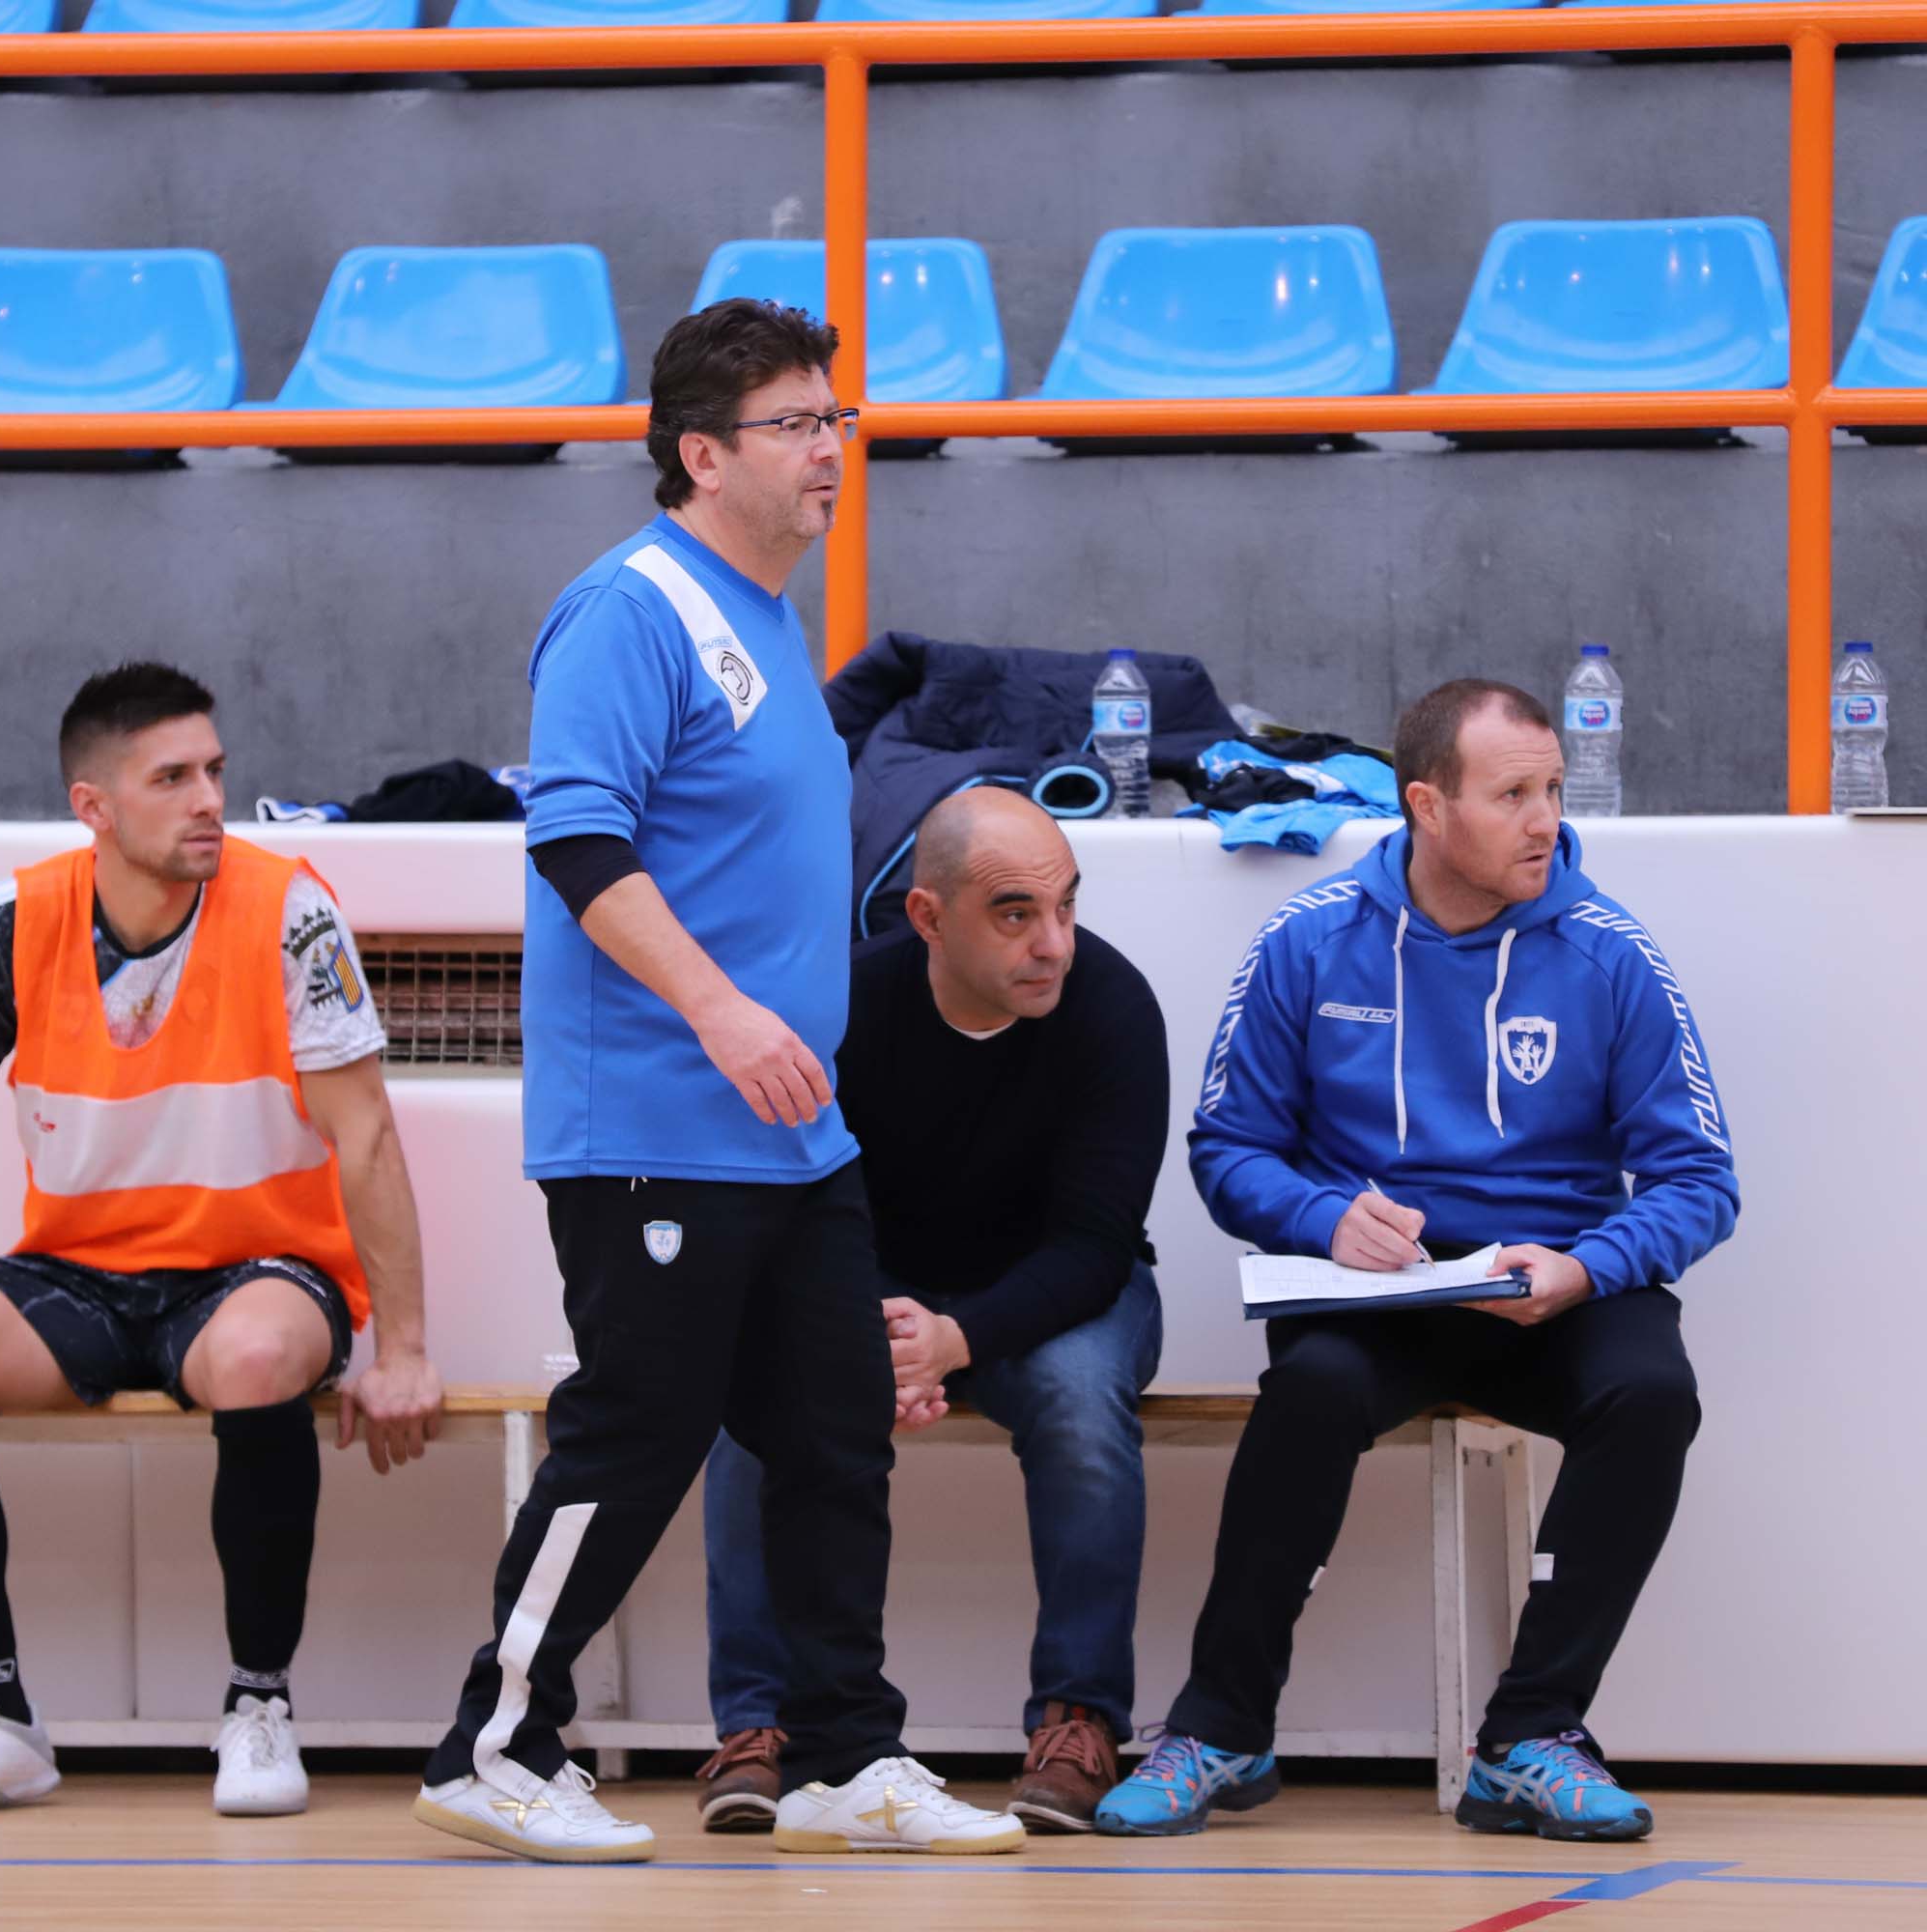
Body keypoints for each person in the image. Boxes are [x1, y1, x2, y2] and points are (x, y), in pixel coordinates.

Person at [413, 299, 1023, 1864]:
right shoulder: (629, 609)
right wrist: (722, 1015)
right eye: (798, 424)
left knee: (836, 1436)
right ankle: (494, 1742)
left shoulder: (766, 622)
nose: (833, 450)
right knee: (637, 1433)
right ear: (702, 452)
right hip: (657, 1126)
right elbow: (576, 843)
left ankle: (841, 1755)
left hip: (796, 1139)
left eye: (839, 420)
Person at [1100, 680, 1737, 1845]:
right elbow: (1227, 1144)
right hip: (1374, 1285)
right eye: (1513, 795)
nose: (1546, 818)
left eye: (1550, 788)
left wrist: (1589, 1266)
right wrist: (1322, 1213)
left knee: (1652, 1391)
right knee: (1313, 1388)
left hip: (1550, 1282)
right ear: (1426, 805)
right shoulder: (1310, 937)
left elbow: (1701, 1179)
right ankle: (1222, 1727)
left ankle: (1530, 1737)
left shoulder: (1611, 954)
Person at [0, 663, 445, 1823]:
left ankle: (258, 1706)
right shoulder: (13, 920)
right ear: (94, 806)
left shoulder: (289, 908)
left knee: (258, 1358)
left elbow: (364, 1135)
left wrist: (403, 1344)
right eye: (172, 777)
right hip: (80, 1270)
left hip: (258, 1270)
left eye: (215, 769)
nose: (209, 797)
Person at [695, 788, 1169, 1836]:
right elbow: (799, 1202)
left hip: (1062, 1297)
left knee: (1082, 1403)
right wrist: (870, 1334)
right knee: (756, 1411)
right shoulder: (845, 1005)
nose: (1053, 943)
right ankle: (763, 1721)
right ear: (926, 918)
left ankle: (1079, 1716)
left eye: (1065, 906)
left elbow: (1094, 1247)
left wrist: (954, 1342)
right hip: (875, 1293)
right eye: (1014, 913)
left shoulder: (1115, 1007)